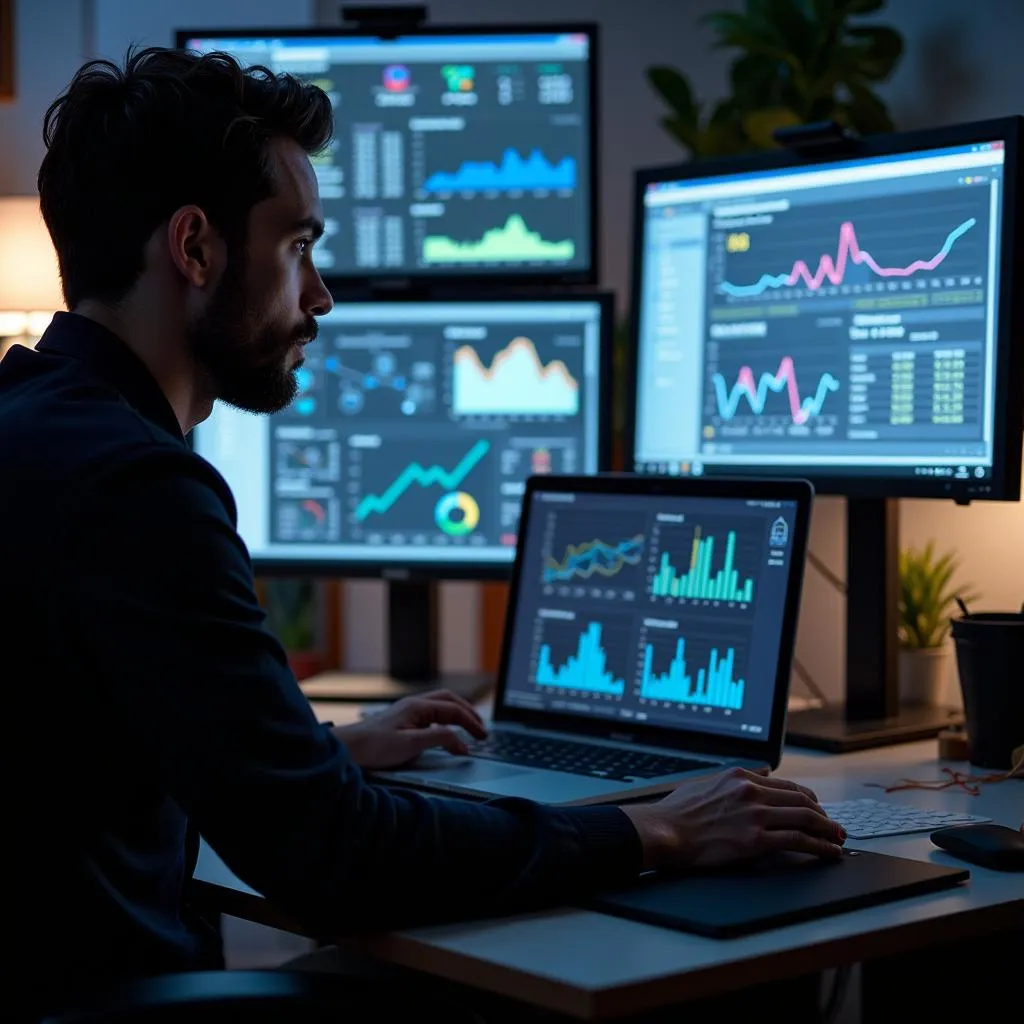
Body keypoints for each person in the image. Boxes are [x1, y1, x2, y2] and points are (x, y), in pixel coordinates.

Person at [0, 46, 845, 1016]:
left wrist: (319, 755)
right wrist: (656, 831)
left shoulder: (30, 426)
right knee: (687, 981)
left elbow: (80, 759)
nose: (319, 296)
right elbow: (336, 857)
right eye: (297, 247)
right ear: (194, 248)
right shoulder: (137, 488)